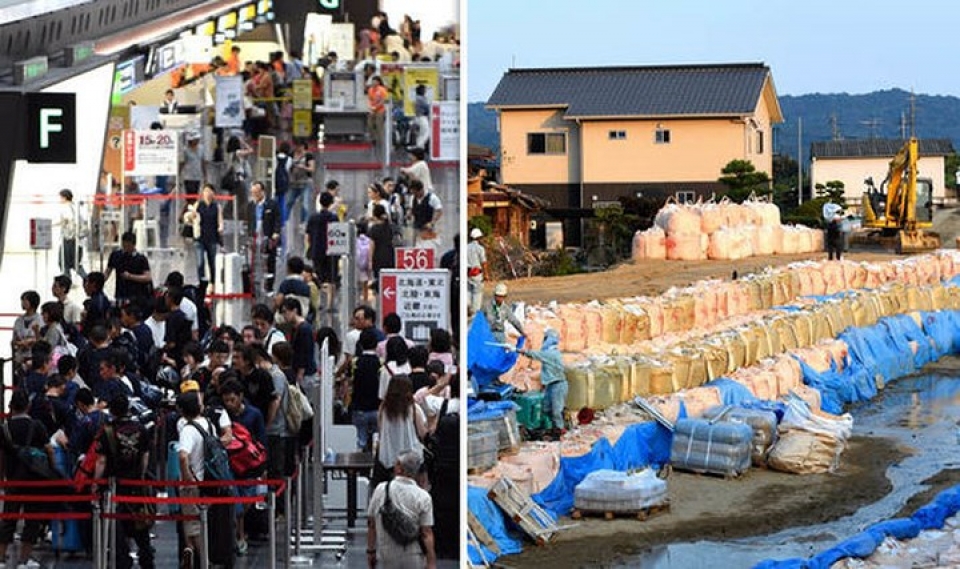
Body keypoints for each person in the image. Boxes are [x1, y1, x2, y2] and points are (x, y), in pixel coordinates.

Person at [94, 394, 154, 569]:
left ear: (112, 411)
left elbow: (101, 461)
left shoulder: (107, 431)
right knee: (141, 526)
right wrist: (141, 476)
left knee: (117, 528)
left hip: (115, 485)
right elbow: (145, 457)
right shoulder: (141, 429)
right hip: (135, 484)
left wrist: (96, 482)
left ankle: (123, 561)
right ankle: (147, 560)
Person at [0, 390, 53, 569]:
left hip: (12, 480)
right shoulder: (37, 426)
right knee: (32, 519)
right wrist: (51, 469)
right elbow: (49, 449)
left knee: (8, 519)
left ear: (11, 406)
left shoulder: (4, 427)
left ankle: (1, 558)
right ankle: (24, 560)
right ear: (28, 406)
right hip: (35, 479)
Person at [366, 450, 436, 569]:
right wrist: (431, 561)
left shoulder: (381, 489)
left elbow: (371, 524)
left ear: (399, 467)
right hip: (414, 554)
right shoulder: (423, 496)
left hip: (386, 553)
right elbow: (426, 533)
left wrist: (371, 551)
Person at [519, 328, 568, 431]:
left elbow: (536, 355)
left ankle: (560, 430)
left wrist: (519, 350)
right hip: (551, 384)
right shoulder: (551, 353)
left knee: (556, 410)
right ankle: (551, 428)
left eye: (545, 338)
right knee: (546, 408)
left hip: (558, 385)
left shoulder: (552, 354)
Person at [184, 183, 223, 288]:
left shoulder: (216, 206)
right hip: (199, 237)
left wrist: (220, 228)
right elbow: (191, 217)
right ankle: (202, 282)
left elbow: (220, 220)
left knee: (212, 262)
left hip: (212, 237)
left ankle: (213, 283)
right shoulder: (198, 204)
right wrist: (192, 215)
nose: (207, 193)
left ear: (213, 193)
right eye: (205, 191)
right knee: (200, 262)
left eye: (209, 191)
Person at [305, 192, 340, 309]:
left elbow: (308, 236)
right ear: (331, 203)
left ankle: (318, 302)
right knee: (331, 278)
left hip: (316, 250)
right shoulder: (334, 218)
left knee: (317, 277)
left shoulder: (313, 217)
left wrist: (309, 248)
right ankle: (330, 304)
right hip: (331, 251)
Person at [247, 181, 282, 292]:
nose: (255, 195)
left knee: (269, 262)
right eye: (253, 192)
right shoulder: (251, 205)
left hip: (267, 235)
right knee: (254, 261)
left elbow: (277, 219)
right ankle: (254, 285)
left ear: (262, 192)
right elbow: (249, 221)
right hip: (255, 236)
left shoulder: (272, 204)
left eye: (257, 192)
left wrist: (276, 233)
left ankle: (269, 286)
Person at [351, 329, 381, 451]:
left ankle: (358, 467)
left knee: (359, 441)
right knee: (377, 441)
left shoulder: (355, 362)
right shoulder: (381, 362)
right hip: (377, 407)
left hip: (359, 408)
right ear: (376, 344)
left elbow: (351, 381)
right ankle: (374, 467)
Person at [105, 232, 153, 306]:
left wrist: (130, 276)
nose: (125, 248)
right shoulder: (116, 256)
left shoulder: (141, 259)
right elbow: (107, 272)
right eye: (124, 245)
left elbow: (147, 277)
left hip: (136, 296)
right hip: (120, 294)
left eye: (128, 246)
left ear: (133, 244)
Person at [11, 290, 42, 371]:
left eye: (25, 300)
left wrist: (30, 341)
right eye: (22, 300)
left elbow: (42, 339)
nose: (22, 303)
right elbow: (14, 338)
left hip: (34, 357)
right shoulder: (19, 320)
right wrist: (18, 343)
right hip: (20, 357)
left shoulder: (40, 320)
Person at [368, 204, 396, 292]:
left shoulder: (373, 229)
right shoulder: (390, 227)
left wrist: (370, 261)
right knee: (389, 280)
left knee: (379, 280)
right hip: (390, 256)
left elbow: (372, 246)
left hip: (378, 257)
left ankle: (380, 299)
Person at [288, 140, 316, 227]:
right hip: (294, 183)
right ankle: (285, 219)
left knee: (305, 204)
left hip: (305, 182)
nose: (297, 148)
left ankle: (303, 222)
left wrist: (303, 167)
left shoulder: (308, 156)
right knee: (289, 202)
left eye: (299, 146)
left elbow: (312, 169)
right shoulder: (292, 154)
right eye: (296, 146)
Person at [407, 179, 442, 248]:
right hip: (416, 227)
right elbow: (411, 209)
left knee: (428, 247)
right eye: (413, 193)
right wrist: (409, 214)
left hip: (428, 228)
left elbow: (439, 211)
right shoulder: (412, 198)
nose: (415, 195)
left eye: (416, 193)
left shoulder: (432, 198)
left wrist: (432, 222)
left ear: (421, 190)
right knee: (416, 247)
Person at [56, 189, 80, 276]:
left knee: (62, 261)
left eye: (60, 197)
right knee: (73, 263)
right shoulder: (74, 206)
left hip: (67, 238)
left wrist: (53, 225)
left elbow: (66, 220)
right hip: (74, 238)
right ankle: (86, 278)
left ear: (65, 198)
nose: (60, 200)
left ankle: (67, 280)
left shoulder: (66, 206)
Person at [467, 228, 488, 316]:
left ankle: (467, 306)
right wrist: (486, 274)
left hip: (467, 274)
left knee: (468, 292)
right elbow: (484, 262)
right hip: (477, 274)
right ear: (479, 237)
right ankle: (474, 313)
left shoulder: (466, 247)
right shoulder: (480, 248)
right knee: (477, 294)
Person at [367, 76, 389, 156]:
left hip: (380, 110)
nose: (373, 83)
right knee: (370, 124)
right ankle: (373, 139)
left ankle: (381, 141)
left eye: (374, 81)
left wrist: (376, 107)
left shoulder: (382, 90)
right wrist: (370, 108)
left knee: (379, 125)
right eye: (372, 81)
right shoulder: (370, 90)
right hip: (372, 110)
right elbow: (369, 100)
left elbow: (383, 100)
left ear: (378, 82)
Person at [181, 132, 205, 197]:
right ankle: (189, 206)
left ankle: (194, 207)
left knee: (195, 195)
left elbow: (202, 163)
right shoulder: (185, 150)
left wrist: (205, 176)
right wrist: (180, 175)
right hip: (188, 177)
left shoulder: (201, 149)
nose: (197, 140)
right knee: (189, 196)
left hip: (198, 176)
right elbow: (182, 163)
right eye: (196, 139)